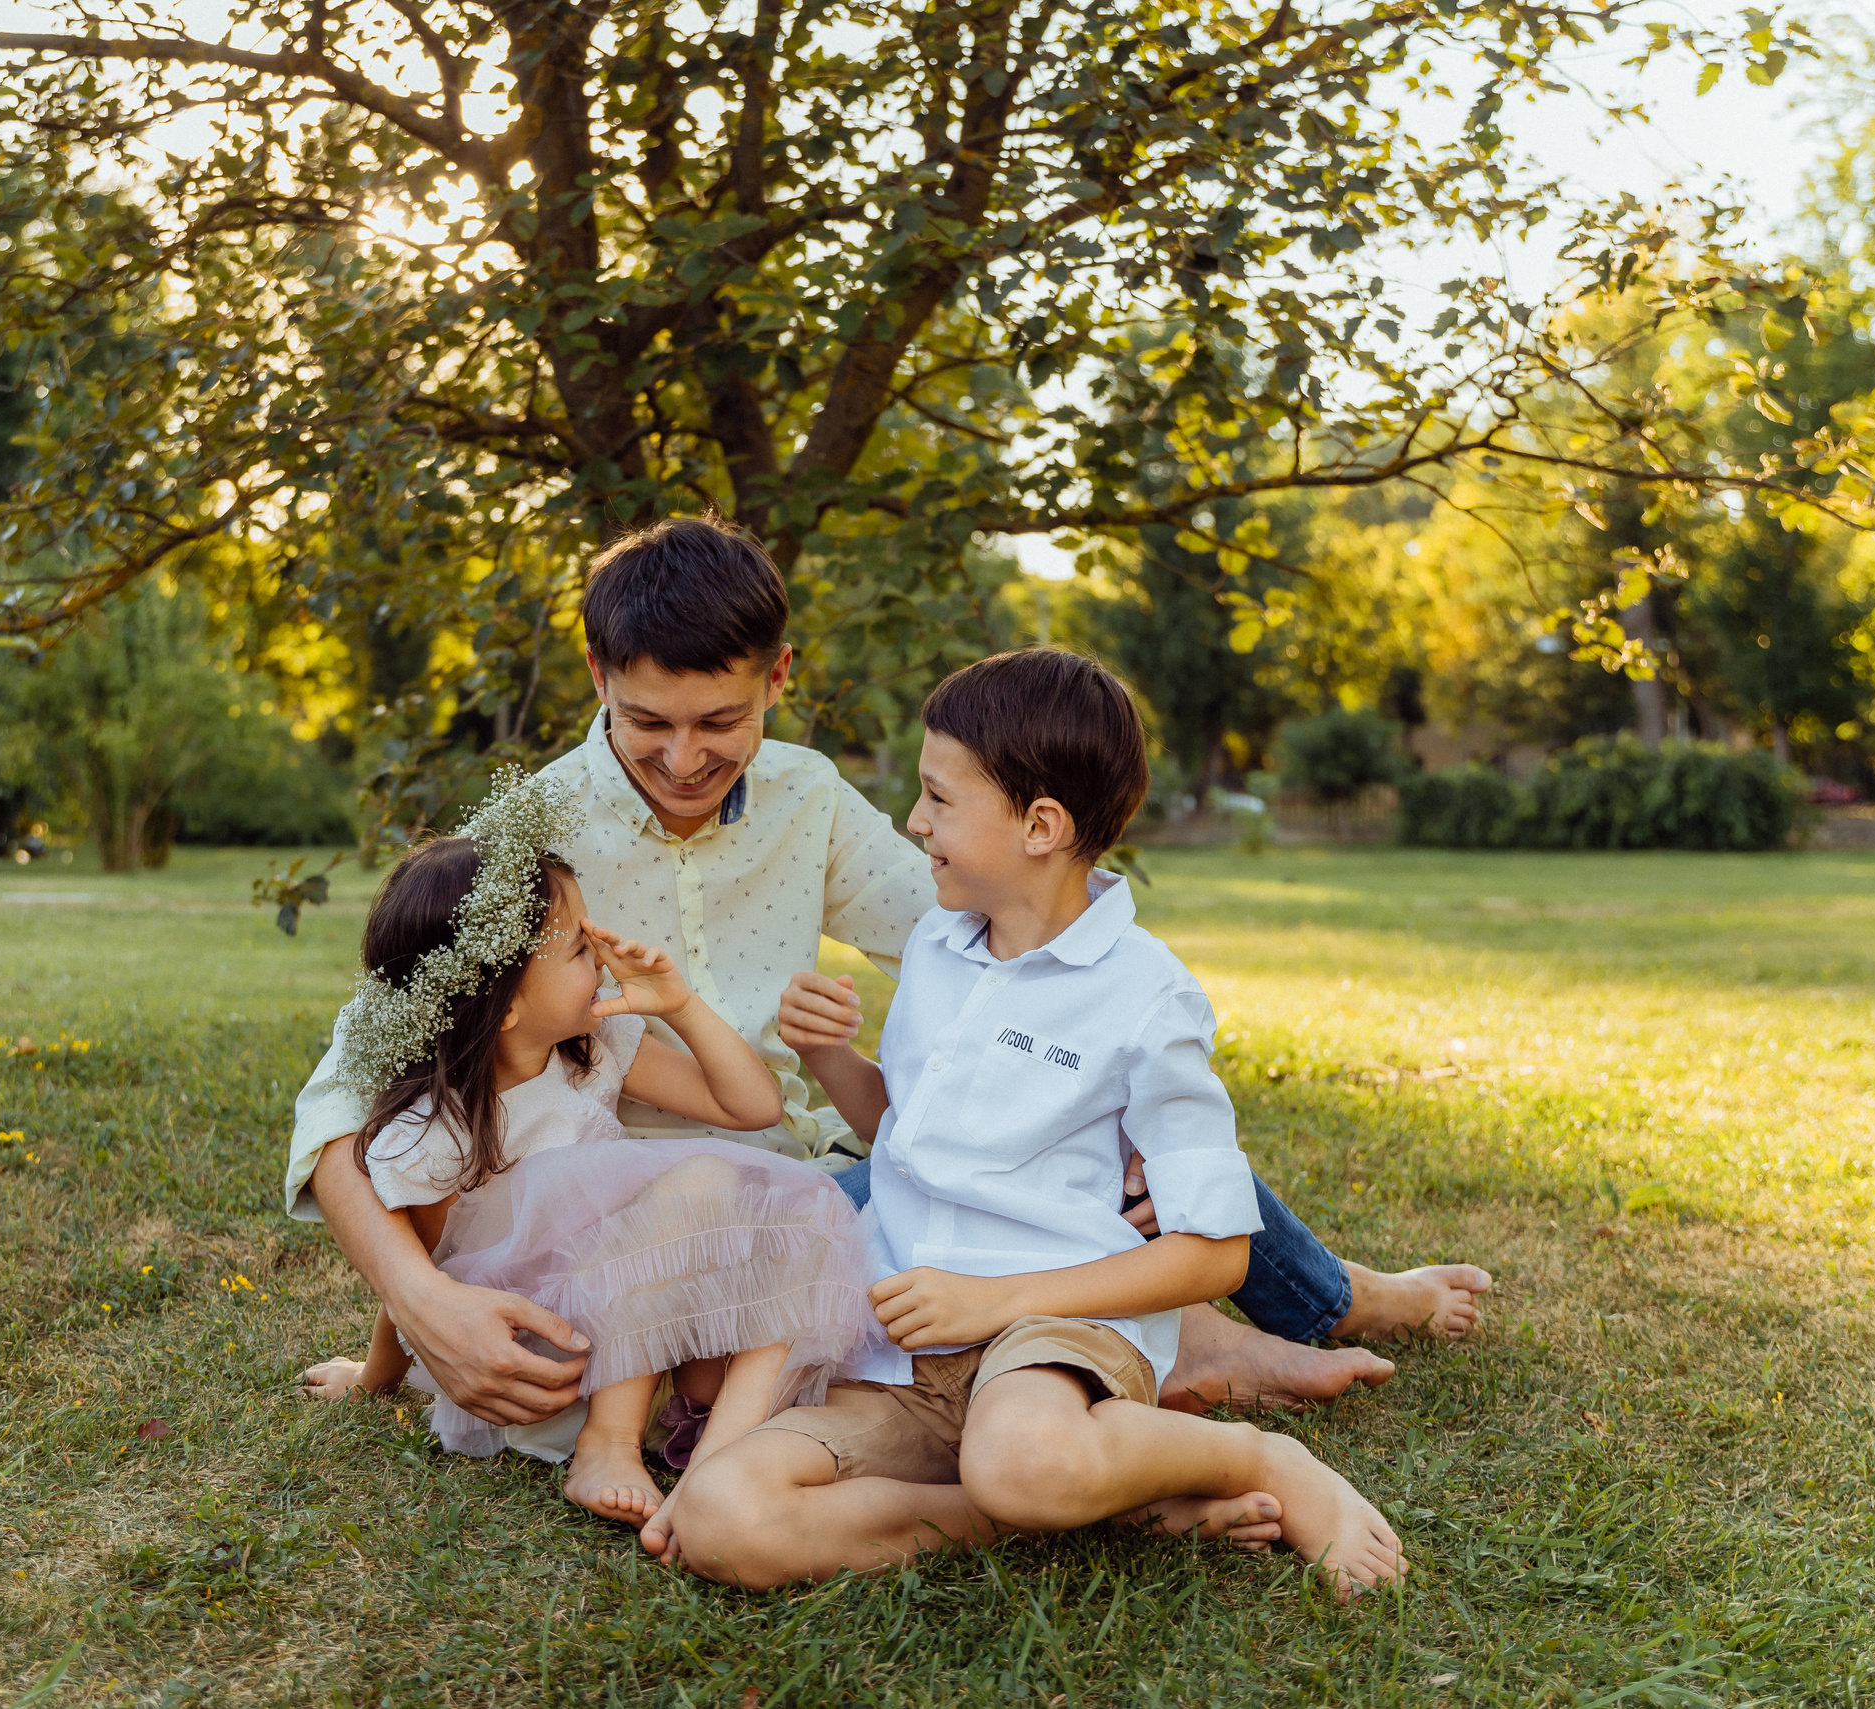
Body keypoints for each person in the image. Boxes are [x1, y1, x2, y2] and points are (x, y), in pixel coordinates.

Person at [286, 516, 1486, 1438]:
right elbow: (351, 1086)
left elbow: (1010, 928)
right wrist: (419, 1298)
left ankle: (1326, 1296)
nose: (685, 756)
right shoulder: (529, 834)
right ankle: (1192, 1343)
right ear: (598, 670)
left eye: (722, 717)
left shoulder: (806, 795)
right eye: (650, 720)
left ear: (778, 675)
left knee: (1097, 1097)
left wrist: (1105, 1086)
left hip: (813, 1174)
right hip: (649, 1211)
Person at [654, 648, 1406, 1598]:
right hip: (900, 1347)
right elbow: (912, 1139)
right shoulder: (939, 942)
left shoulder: (1147, 995)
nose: (914, 823)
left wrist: (988, 1304)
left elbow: (1215, 1255)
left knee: (1022, 1455)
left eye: (937, 799)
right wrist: (831, 1057)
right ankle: (1104, 1504)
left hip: (1052, 1331)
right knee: (726, 1517)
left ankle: (1257, 1459)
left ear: (1041, 825)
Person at [297, 773, 887, 1528]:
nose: (604, 956)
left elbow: (752, 1104)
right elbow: (419, 1282)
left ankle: (718, 1468)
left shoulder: (594, 1048)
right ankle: (608, 1446)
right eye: (580, 947)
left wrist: (678, 1003)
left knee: (793, 1260)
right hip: (553, 1368)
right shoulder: (435, 1130)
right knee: (700, 1180)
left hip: (645, 1345)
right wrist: (374, 1378)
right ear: (507, 1003)